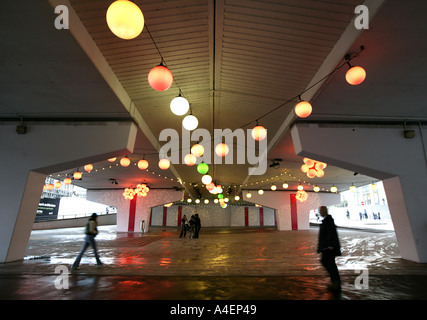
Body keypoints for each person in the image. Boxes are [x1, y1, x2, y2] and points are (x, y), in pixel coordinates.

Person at [317, 206, 341, 291]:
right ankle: (335, 281)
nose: (320, 212)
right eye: (319, 210)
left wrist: (330, 245)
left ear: (325, 211)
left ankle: (335, 281)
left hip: (329, 247)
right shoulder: (327, 220)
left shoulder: (328, 220)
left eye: (321, 210)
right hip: (327, 246)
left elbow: (331, 233)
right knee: (330, 263)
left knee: (328, 262)